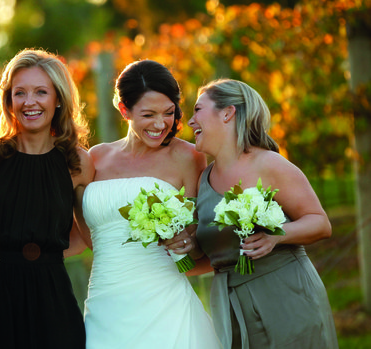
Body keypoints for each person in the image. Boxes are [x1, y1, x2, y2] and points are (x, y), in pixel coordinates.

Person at [187, 78, 338, 349]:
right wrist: (176, 259)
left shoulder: (268, 164)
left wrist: (276, 236)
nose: (190, 121)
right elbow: (216, 256)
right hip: (231, 305)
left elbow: (320, 223)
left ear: (227, 113)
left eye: (198, 110)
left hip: (286, 295)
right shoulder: (203, 179)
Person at [80, 59, 221, 348]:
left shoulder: (189, 156)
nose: (160, 124)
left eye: (168, 113)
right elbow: (89, 232)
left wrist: (186, 244)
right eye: (148, 114)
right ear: (124, 110)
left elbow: (197, 239)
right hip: (105, 299)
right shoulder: (95, 158)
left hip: (163, 299)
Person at [0, 48, 93, 348]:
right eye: (20, 93)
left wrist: (45, 257)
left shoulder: (78, 161)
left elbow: (85, 235)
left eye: (41, 92)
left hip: (53, 291)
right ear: (8, 101)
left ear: (58, 99)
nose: (29, 102)